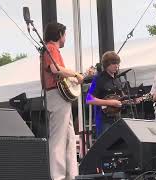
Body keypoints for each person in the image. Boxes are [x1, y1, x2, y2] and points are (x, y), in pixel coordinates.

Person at [43, 22, 94, 180]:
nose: (65, 38)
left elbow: (61, 75)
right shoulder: (51, 47)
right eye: (64, 35)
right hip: (55, 96)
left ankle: (72, 175)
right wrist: (76, 74)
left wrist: (78, 76)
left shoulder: (53, 50)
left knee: (70, 138)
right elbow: (55, 69)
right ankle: (58, 176)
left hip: (60, 97)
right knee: (59, 138)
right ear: (59, 34)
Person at [86, 51, 124, 137]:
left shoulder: (117, 80)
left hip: (117, 118)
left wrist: (133, 100)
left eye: (117, 63)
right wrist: (110, 103)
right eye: (113, 63)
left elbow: (121, 98)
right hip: (103, 120)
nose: (116, 66)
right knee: (105, 145)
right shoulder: (98, 79)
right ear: (106, 65)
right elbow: (89, 99)